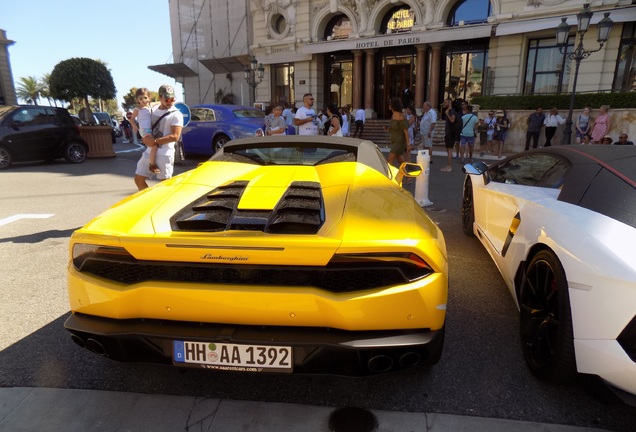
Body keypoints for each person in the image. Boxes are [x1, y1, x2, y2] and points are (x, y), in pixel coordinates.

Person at [134, 84, 184, 191]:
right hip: (150, 151)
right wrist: (144, 138)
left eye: (172, 99)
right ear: (160, 97)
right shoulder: (154, 109)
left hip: (164, 154)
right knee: (138, 179)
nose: (170, 102)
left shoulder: (176, 114)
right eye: (167, 99)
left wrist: (155, 141)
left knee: (165, 187)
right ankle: (149, 202)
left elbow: (175, 136)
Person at [129, 88, 161, 173]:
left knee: (152, 146)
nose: (143, 100)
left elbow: (159, 102)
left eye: (145, 98)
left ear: (149, 98)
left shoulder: (150, 106)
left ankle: (150, 161)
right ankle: (152, 165)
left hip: (151, 129)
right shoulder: (138, 109)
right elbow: (131, 119)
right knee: (154, 146)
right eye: (140, 98)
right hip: (144, 130)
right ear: (137, 100)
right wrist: (134, 126)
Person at [383, 97, 409, 168]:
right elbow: (392, 128)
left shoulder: (400, 116)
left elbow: (405, 130)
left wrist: (408, 144)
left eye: (390, 104)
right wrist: (387, 129)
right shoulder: (393, 115)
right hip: (394, 140)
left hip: (399, 141)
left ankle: (388, 176)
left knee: (390, 159)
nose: (389, 106)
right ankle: (408, 176)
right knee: (400, 160)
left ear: (393, 105)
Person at [441, 97, 460, 172]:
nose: (444, 104)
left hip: (450, 133)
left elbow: (452, 120)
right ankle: (448, 166)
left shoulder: (451, 111)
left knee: (449, 150)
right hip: (448, 133)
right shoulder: (450, 111)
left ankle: (449, 166)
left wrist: (447, 114)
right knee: (448, 150)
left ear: (449, 102)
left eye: (445, 102)